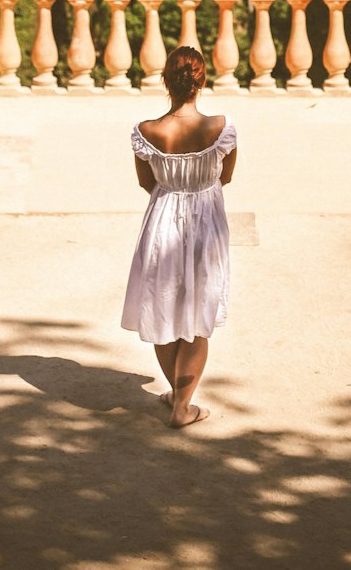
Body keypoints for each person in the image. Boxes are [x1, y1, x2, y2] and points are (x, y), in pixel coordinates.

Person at [121, 45, 237, 428]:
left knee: (163, 307)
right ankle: (182, 406)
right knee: (198, 313)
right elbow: (226, 177)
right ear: (201, 82)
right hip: (206, 223)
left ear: (166, 81)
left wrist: (174, 190)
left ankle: (178, 398)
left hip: (162, 221)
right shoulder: (220, 128)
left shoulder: (146, 132)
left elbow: (144, 182)